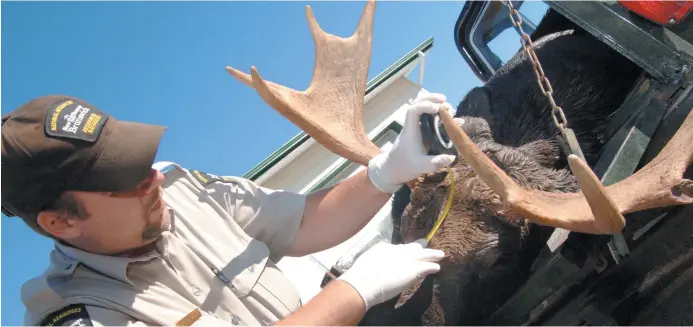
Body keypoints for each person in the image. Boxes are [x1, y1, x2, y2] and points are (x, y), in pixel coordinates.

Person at [2, 92, 456, 326]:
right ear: (61, 221)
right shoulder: (74, 312)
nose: (153, 178)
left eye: (138, 160)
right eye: (125, 180)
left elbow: (301, 223)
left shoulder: (181, 192)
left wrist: (386, 171)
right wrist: (356, 289)